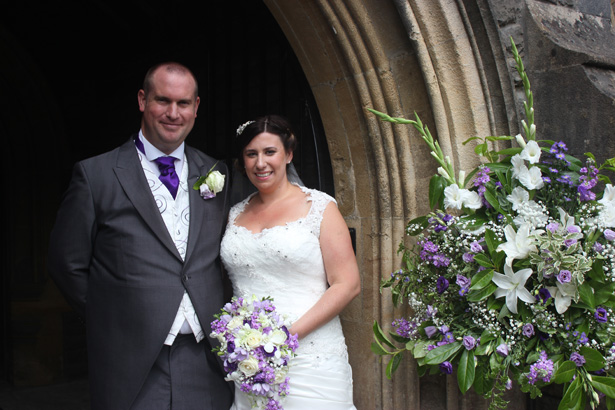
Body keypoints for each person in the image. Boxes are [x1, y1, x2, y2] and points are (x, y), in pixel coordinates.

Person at [48, 62, 233, 410]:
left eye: (183, 103)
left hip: (206, 359)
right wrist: (114, 317)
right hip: (131, 362)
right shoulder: (95, 174)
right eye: (163, 100)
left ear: (196, 107)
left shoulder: (215, 172)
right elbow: (66, 264)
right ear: (142, 100)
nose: (173, 113)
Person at [220, 115, 361, 409]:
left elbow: (347, 284)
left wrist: (282, 338)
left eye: (269, 152)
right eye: (251, 154)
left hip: (312, 359)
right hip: (251, 362)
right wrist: (251, 346)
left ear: (288, 154)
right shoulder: (234, 214)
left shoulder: (320, 207)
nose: (260, 163)